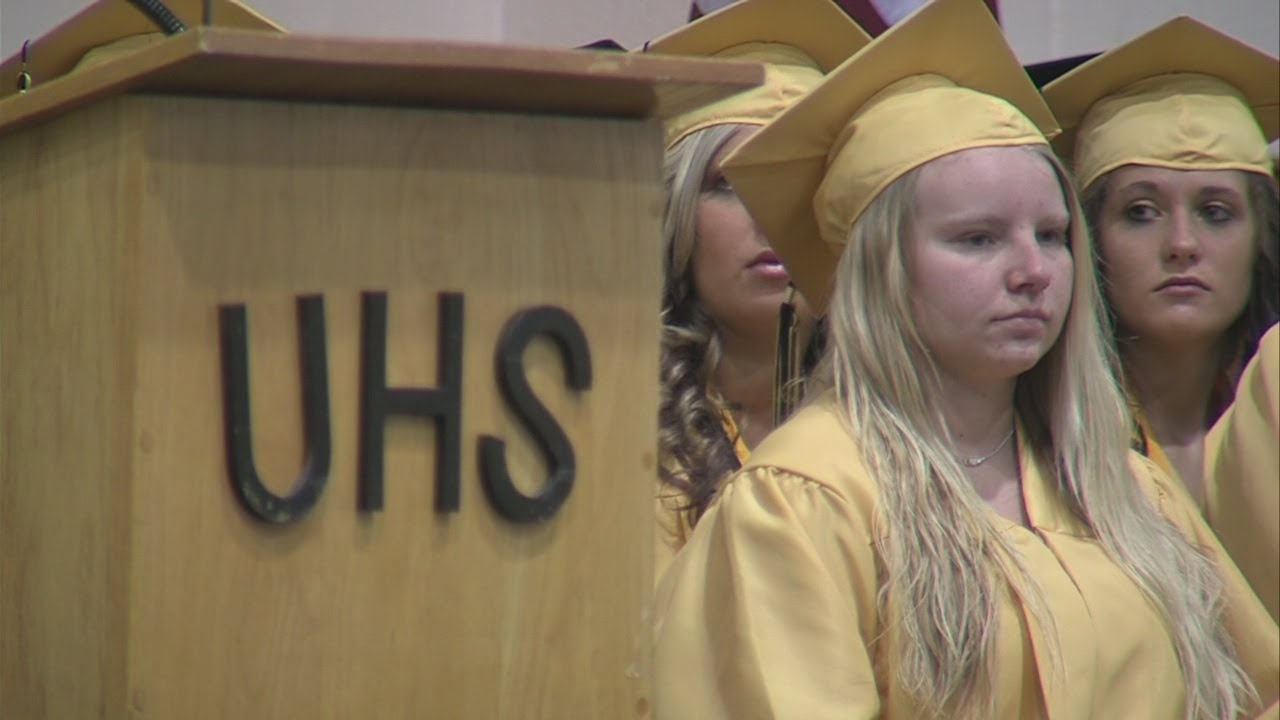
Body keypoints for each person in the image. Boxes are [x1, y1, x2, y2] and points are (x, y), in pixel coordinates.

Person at [653, 0, 1279, 717]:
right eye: (978, 238)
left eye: (1050, 234)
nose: (1033, 271)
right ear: (881, 270)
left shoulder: (1126, 490)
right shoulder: (803, 502)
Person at [643, 0, 870, 579]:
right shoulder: (625, 438)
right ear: (676, 212)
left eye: (803, 180)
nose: (773, 216)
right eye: (732, 185)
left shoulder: (905, 426)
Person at [1042, 17, 1280, 507]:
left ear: (1262, 239)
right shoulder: (1035, 452)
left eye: (1216, 213)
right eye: (1140, 212)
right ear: (1089, 240)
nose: (1182, 243)